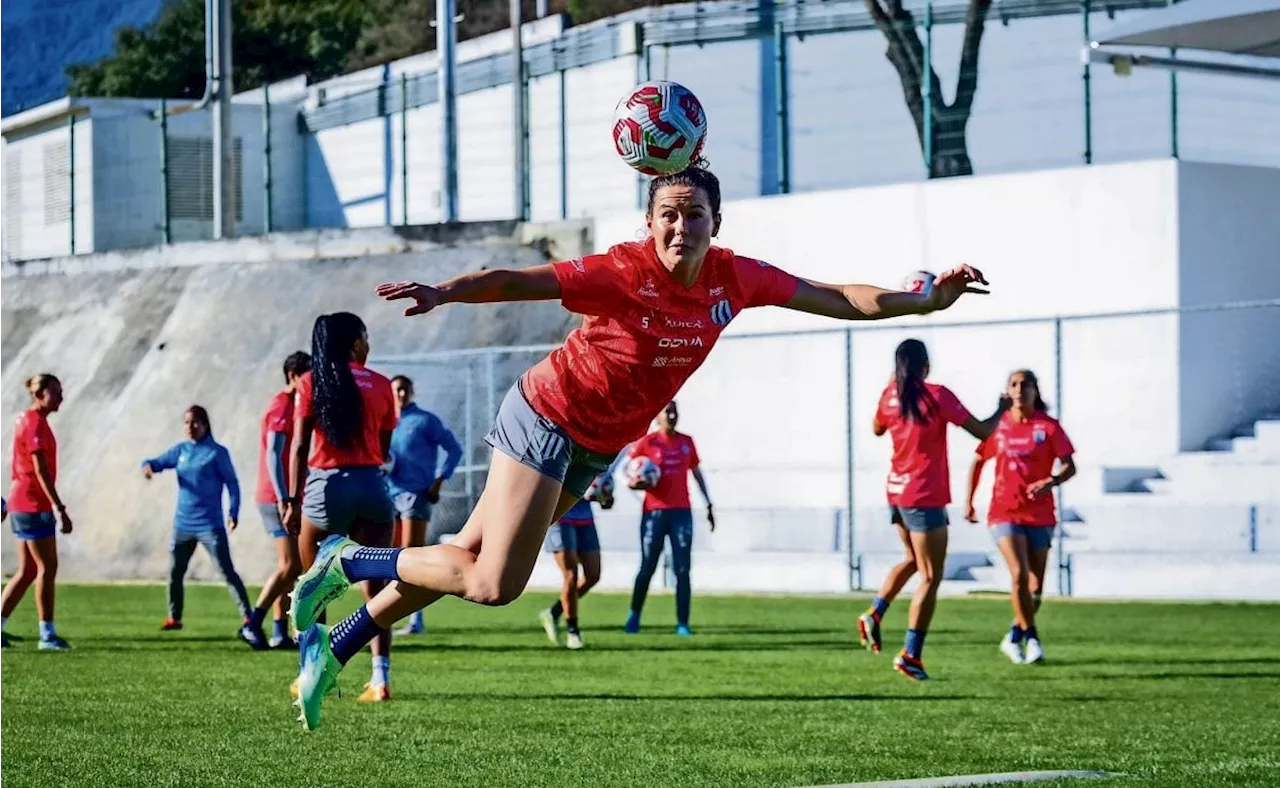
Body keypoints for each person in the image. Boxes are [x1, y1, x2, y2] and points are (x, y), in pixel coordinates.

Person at [289, 163, 990, 730]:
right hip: (548, 412)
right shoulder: (624, 269)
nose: (681, 225)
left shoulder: (736, 277)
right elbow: (520, 282)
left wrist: (920, 303)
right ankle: (346, 559)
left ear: (717, 224)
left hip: (597, 444)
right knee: (492, 583)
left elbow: (835, 295)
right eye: (669, 214)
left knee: (454, 563)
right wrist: (446, 292)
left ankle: (332, 645)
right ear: (650, 222)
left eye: (695, 214)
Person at [857, 339, 1007, 681]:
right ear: (925, 365)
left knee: (913, 560)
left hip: (895, 493)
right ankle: (911, 654)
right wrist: (1001, 408)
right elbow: (982, 431)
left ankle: (875, 613)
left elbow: (877, 429)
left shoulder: (888, 395)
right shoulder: (937, 396)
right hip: (925, 496)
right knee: (930, 575)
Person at [285, 312, 398, 704]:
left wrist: (291, 500)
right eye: (366, 338)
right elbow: (383, 450)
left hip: (325, 488)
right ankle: (380, 679)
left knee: (312, 589)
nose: (369, 345)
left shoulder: (310, 381)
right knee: (377, 589)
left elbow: (299, 447)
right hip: (371, 486)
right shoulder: (382, 384)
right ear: (355, 344)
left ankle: (310, 676)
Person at [965, 369, 1076, 665]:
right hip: (1004, 512)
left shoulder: (1048, 427)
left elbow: (1069, 466)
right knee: (1018, 574)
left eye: (1025, 385)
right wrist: (970, 502)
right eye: (1013, 384)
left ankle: (1014, 635)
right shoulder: (998, 426)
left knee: (1036, 586)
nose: (1018, 389)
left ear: (1035, 390)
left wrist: (1050, 481)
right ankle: (1033, 639)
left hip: (1040, 515)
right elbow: (978, 460)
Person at [142, 406, 258, 646]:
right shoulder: (181, 451)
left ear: (205, 424)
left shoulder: (216, 453)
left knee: (226, 571)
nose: (190, 427)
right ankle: (175, 617)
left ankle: (249, 618)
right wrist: (147, 466)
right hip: (183, 524)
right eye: (186, 422)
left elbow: (232, 484)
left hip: (210, 524)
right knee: (175, 573)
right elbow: (156, 461)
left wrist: (233, 512)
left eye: (195, 422)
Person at [623, 401, 714, 636]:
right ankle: (634, 615)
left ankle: (682, 623)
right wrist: (635, 483)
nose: (672, 415)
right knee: (648, 566)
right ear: (658, 416)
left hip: (681, 513)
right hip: (654, 513)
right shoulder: (647, 442)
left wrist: (709, 503)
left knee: (682, 569)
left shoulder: (686, 442)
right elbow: (628, 473)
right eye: (667, 411)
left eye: (674, 411)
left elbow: (696, 473)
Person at [384, 374, 463, 637]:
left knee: (411, 556)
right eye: (397, 390)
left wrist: (440, 480)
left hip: (416, 494)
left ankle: (415, 620)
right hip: (387, 494)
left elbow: (454, 449)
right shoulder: (384, 421)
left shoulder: (425, 420)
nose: (401, 395)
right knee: (389, 557)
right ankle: (388, 614)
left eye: (405, 390)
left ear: (412, 391)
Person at [243, 351, 311, 650]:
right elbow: (273, 452)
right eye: (307, 375)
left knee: (292, 566)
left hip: (286, 496)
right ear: (293, 375)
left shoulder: (295, 404)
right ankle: (252, 623)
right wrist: (285, 497)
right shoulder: (282, 404)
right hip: (277, 497)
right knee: (290, 565)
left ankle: (279, 630)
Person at [0, 374, 73, 651]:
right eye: (56, 392)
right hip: (33, 503)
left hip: (20, 501)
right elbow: (39, 469)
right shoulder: (34, 423)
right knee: (47, 567)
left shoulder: (26, 420)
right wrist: (59, 507)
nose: (61, 397)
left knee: (28, 569)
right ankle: (47, 634)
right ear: (40, 393)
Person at [537, 451, 626, 649]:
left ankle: (553, 613)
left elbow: (600, 493)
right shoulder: (562, 450)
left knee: (593, 575)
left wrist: (604, 497)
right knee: (571, 575)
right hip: (561, 516)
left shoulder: (595, 452)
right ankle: (573, 632)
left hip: (585, 516)